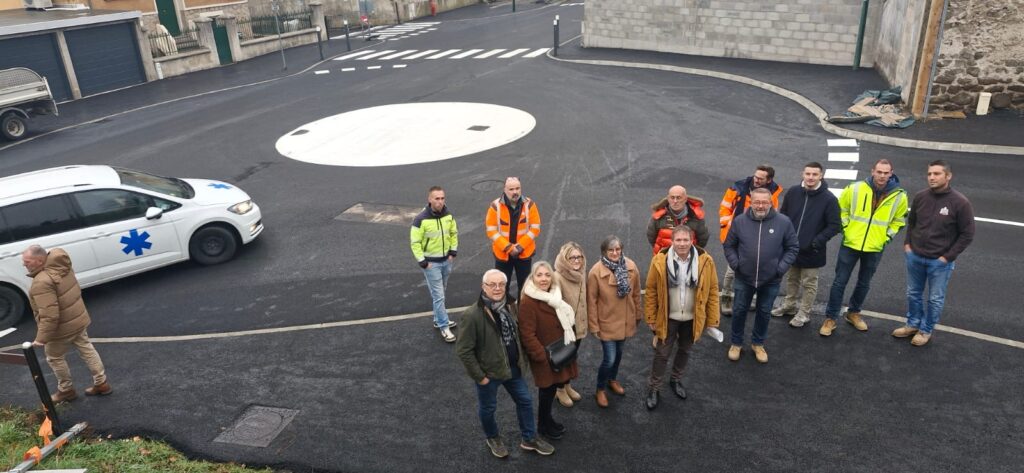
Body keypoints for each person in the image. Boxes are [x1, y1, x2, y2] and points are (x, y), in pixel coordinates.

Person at [455, 269, 554, 458]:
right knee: (489, 408)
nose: (497, 288)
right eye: (492, 285)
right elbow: (463, 350)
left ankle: (529, 438)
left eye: (501, 284)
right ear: (483, 287)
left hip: (513, 369)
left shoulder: (511, 305)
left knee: (525, 401)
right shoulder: (472, 315)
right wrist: (480, 377)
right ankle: (493, 437)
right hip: (489, 374)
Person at [820, 159, 908, 337]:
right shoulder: (855, 188)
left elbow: (899, 221)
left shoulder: (900, 196)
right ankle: (831, 318)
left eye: (886, 172)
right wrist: (847, 229)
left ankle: (853, 313)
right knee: (839, 281)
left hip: (875, 246)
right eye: (879, 172)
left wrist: (886, 237)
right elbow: (841, 209)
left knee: (864, 282)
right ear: (872, 171)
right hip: (851, 243)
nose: (882, 175)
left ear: (891, 173)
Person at [894, 160, 974, 346]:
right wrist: (908, 245)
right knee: (913, 293)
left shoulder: (960, 203)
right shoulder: (921, 197)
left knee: (935, 299)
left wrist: (947, 257)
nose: (932, 177)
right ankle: (912, 324)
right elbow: (912, 223)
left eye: (937, 174)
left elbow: (967, 234)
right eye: (929, 174)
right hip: (915, 256)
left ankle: (925, 330)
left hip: (940, 262)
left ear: (948, 176)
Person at [643, 226, 720, 410]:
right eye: (678, 240)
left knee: (685, 350)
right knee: (662, 353)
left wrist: (712, 321)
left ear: (692, 240)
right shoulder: (659, 261)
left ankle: (675, 379)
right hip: (668, 316)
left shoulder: (706, 261)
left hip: (693, 317)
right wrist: (651, 317)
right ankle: (654, 388)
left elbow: (713, 290)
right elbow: (651, 290)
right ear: (672, 241)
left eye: (686, 240)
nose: (682, 244)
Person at [22, 245, 111, 403]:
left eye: (27, 261)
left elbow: (49, 314)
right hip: (78, 319)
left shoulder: (41, 282)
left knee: (54, 357)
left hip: (61, 329)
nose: (24, 264)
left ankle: (66, 390)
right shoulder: (62, 265)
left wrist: (41, 338)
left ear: (40, 260)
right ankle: (102, 383)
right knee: (87, 349)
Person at [722, 188, 799, 363]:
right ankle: (736, 343)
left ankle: (758, 343)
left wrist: (780, 269)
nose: (761, 205)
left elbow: (792, 247)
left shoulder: (783, 222)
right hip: (744, 277)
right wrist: (736, 264)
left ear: (771, 203)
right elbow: (729, 245)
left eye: (765, 202)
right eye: (757, 202)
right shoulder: (740, 221)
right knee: (740, 310)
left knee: (764, 312)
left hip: (771, 279)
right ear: (751, 202)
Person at [771, 163, 842, 328]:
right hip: (791, 247)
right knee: (791, 278)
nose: (811, 177)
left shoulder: (829, 199)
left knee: (809, 283)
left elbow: (834, 225)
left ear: (821, 176)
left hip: (812, 250)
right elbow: (784, 216)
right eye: (808, 174)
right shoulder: (793, 192)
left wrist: (816, 242)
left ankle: (804, 313)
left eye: (815, 174)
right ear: (802, 174)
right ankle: (789, 306)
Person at [518, 261, 579, 440]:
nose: (544, 279)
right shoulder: (528, 302)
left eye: (547, 275)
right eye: (539, 275)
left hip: (559, 352)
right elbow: (527, 334)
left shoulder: (554, 295)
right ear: (532, 278)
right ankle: (543, 425)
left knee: (552, 390)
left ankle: (547, 420)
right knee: (546, 392)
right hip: (546, 356)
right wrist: (542, 356)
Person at [718, 165, 783, 315]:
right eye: (755, 176)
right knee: (732, 269)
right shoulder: (737, 188)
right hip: (737, 233)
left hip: (757, 235)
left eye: (761, 178)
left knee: (754, 268)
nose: (756, 180)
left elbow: (772, 214)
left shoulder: (772, 193)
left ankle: (748, 298)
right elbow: (724, 207)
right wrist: (730, 225)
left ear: (769, 180)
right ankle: (726, 297)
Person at [587, 235, 642, 408]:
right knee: (609, 359)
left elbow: (636, 294)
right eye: (611, 250)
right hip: (607, 323)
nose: (615, 252)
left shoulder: (631, 267)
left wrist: (637, 315)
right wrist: (594, 325)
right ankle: (600, 389)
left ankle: (612, 379)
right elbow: (591, 300)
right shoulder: (596, 272)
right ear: (604, 252)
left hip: (625, 321)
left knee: (618, 355)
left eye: (618, 249)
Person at [410, 186, 459, 342]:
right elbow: (415, 242)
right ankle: (444, 326)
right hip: (431, 264)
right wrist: (423, 262)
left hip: (446, 261)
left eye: (442, 198)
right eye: (436, 198)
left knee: (441, 292)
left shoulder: (449, 215)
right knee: (438, 295)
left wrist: (453, 252)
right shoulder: (420, 219)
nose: (440, 201)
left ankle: (438, 319)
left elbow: (453, 233)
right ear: (429, 199)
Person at [485, 177, 541, 296]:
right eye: (511, 189)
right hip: (503, 254)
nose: (515, 192)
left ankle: (523, 313)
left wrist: (519, 247)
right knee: (501, 288)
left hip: (524, 253)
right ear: (504, 190)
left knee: (525, 288)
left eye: (517, 188)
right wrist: (509, 248)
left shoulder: (530, 204)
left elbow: (535, 228)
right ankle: (503, 312)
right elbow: (491, 231)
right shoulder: (495, 206)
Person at [552, 242, 588, 408]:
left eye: (579, 257)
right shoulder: (557, 278)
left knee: (571, 357)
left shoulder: (580, 273)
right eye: (572, 257)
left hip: (578, 326)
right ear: (565, 259)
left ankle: (567, 385)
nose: (576, 260)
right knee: (562, 359)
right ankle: (559, 389)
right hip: (565, 329)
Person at [646, 185, 709, 253]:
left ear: (685, 199)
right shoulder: (658, 217)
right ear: (668, 199)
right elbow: (651, 237)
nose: (675, 201)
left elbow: (702, 240)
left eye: (678, 198)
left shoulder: (696, 217)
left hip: (688, 259)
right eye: (672, 198)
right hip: (663, 259)